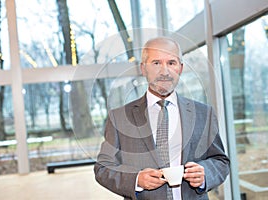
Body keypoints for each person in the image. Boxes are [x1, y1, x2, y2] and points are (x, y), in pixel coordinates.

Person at [94, 37, 230, 200]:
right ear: (143, 68)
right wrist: (136, 179)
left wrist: (205, 173)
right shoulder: (119, 118)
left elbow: (220, 161)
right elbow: (103, 168)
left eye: (171, 63)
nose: (165, 71)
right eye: (156, 63)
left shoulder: (203, 113)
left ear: (180, 68)